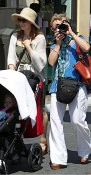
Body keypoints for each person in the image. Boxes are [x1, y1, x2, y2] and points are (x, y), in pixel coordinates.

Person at [48, 13, 91, 170]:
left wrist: (71, 33)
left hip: (77, 85)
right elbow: (51, 62)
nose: (58, 29)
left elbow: (87, 48)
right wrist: (58, 43)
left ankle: (85, 150)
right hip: (58, 86)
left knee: (77, 120)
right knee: (56, 122)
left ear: (67, 25)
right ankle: (58, 158)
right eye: (55, 28)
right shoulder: (55, 45)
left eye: (61, 26)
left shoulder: (77, 41)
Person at [7, 6, 48, 154]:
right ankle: (19, 139)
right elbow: (11, 58)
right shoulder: (14, 35)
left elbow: (40, 63)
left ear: (31, 22)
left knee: (40, 108)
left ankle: (43, 139)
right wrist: (12, 74)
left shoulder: (39, 38)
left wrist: (28, 46)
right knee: (17, 109)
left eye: (24, 20)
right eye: (20, 20)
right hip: (19, 76)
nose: (21, 22)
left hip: (35, 76)